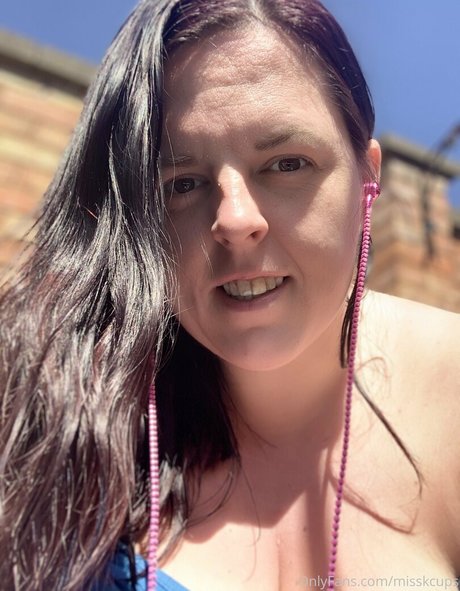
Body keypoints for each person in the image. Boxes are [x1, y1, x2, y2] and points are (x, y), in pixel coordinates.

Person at [1, 0, 459, 590]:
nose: (235, 220)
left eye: (287, 163)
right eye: (181, 184)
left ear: (368, 175)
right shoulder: (52, 421)